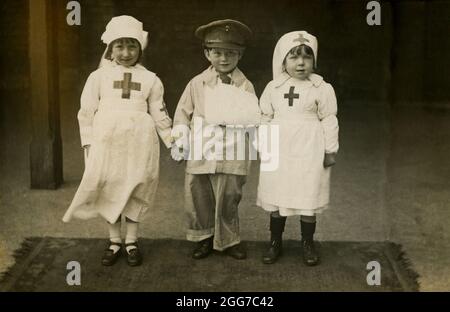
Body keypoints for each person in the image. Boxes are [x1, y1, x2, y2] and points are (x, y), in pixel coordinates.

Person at [62, 16, 173, 267]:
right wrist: (88, 142)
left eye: (132, 46)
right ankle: (114, 240)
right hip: (106, 141)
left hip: (139, 142)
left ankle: (132, 241)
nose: (126, 53)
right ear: (110, 48)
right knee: (109, 186)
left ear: (140, 48)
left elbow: (159, 113)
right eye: (119, 46)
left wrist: (172, 141)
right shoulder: (97, 78)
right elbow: (86, 112)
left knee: (137, 186)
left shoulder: (151, 79)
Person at [171, 19, 259, 260]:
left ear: (240, 55)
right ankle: (204, 237)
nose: (224, 59)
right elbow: (182, 113)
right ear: (207, 53)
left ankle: (229, 239)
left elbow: (253, 118)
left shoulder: (245, 86)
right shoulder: (196, 83)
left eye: (230, 53)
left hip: (232, 149)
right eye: (218, 52)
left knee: (229, 195)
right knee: (198, 193)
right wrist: (180, 140)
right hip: (203, 147)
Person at [257, 31, 339, 266]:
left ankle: (307, 242)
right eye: (293, 57)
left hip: (309, 147)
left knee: (307, 194)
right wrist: (264, 146)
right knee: (276, 193)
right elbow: (264, 116)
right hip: (279, 146)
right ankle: (275, 241)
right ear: (283, 61)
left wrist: (330, 149)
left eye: (306, 57)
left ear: (314, 61)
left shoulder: (321, 87)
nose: (301, 63)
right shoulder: (274, 87)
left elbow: (329, 119)